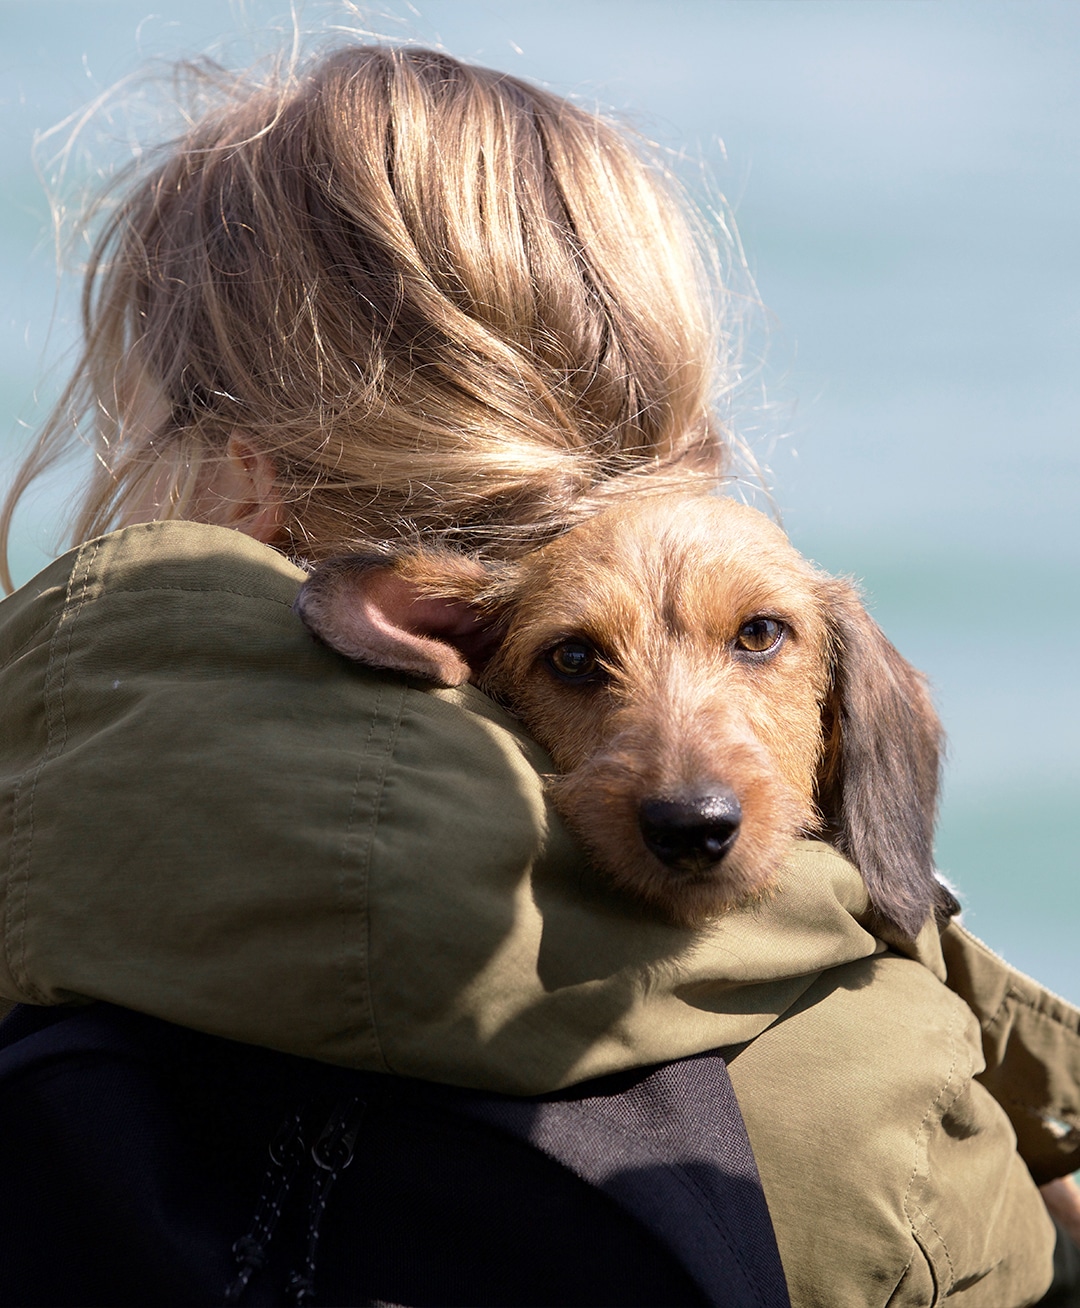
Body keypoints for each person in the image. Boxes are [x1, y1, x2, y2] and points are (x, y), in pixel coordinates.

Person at [1, 41, 1078, 1307]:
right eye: (577, 660)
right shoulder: (883, 1115)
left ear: (238, 485)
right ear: (673, 434)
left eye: (758, 641)